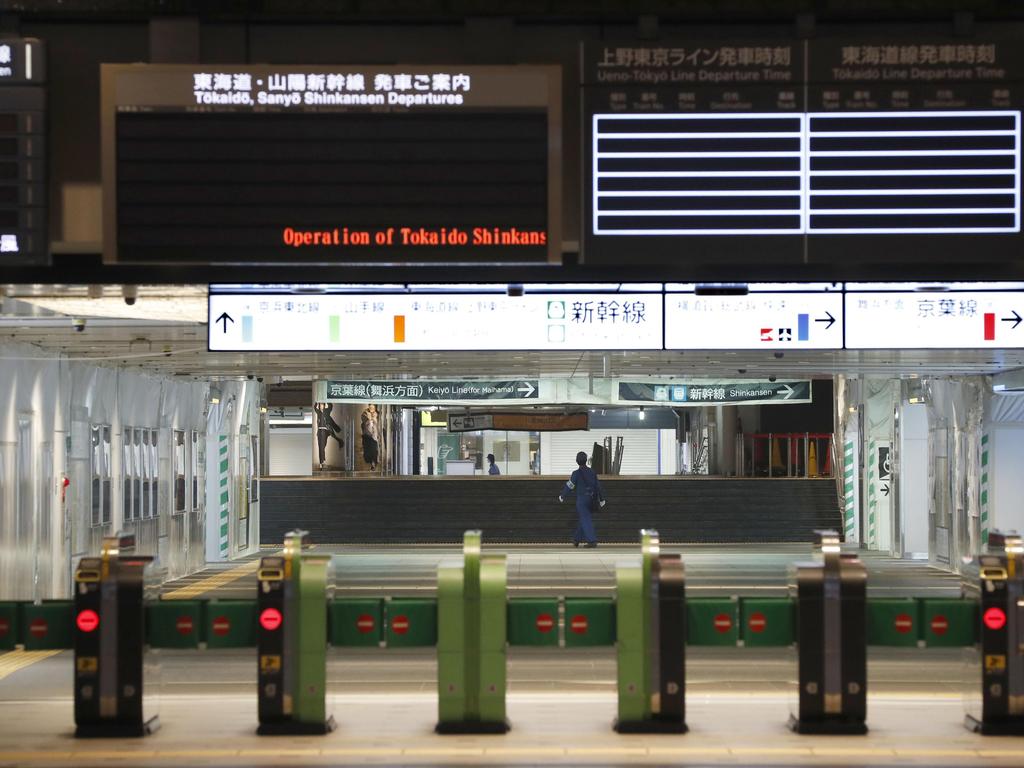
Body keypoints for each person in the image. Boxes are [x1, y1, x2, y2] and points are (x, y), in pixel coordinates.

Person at [558, 451, 605, 548]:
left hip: (581, 500)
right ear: (586, 460)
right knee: (584, 518)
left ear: (577, 461)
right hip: (592, 499)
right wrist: (601, 499)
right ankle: (576, 539)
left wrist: (562, 495)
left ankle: (592, 541)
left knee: (585, 519)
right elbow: (598, 486)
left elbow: (570, 485)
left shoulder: (576, 473)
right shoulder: (592, 472)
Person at [314, 403, 343, 471]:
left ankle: (322, 461)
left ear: (324, 405)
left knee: (323, 446)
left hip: (325, 431)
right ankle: (321, 462)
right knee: (320, 447)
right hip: (320, 431)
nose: (321, 406)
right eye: (320, 405)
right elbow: (314, 407)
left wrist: (326, 400)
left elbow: (331, 406)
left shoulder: (327, 411)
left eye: (322, 405)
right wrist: (317, 402)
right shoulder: (318, 412)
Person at [361, 403, 380, 471]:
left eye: (373, 407)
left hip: (375, 435)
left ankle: (373, 464)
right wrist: (369, 419)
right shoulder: (365, 414)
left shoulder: (378, 415)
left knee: (374, 450)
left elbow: (379, 424)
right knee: (368, 451)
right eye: (370, 407)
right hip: (367, 435)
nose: (371, 408)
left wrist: (374, 419)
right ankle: (370, 463)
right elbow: (363, 424)